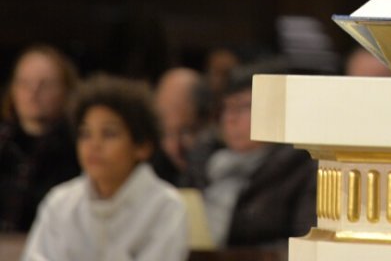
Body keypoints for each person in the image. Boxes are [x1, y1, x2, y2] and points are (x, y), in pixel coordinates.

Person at [21, 74, 188, 261]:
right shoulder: (60, 203)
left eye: (109, 134)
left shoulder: (164, 206)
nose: (94, 145)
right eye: (85, 134)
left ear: (142, 146)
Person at [181, 60, 316, 250]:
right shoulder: (203, 162)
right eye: (227, 107)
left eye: (244, 107)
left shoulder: (302, 169)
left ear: (278, 111)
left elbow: (304, 248)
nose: (231, 118)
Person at [0, 44, 81, 232]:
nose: (33, 92)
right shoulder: (4, 143)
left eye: (45, 84)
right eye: (24, 83)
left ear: (66, 90)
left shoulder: (78, 148)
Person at [151, 67, 214, 185]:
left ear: (209, 121)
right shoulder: (154, 167)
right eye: (166, 133)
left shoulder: (225, 168)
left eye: (186, 132)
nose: (174, 147)